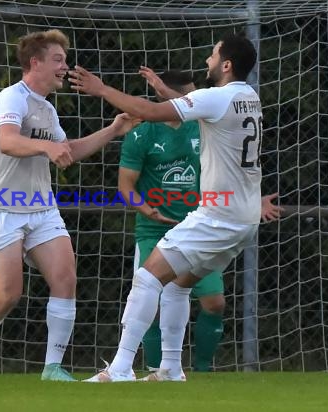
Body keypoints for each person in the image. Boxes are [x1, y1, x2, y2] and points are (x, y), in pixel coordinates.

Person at [69, 33, 267, 382]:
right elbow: (203, 110)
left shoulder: (216, 97)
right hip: (245, 218)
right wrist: (169, 93)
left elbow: (147, 111)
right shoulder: (248, 97)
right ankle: (171, 369)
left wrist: (101, 89)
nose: (207, 60)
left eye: (212, 54)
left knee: (147, 278)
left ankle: (119, 369)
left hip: (218, 217)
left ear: (226, 64)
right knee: (177, 285)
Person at [0, 29, 138, 381]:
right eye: (58, 60)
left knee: (65, 278)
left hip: (41, 208)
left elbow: (70, 151)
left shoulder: (47, 109)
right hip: (3, 206)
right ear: (35, 63)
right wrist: (46, 148)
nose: (64, 67)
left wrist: (113, 129)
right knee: (7, 295)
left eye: (64, 60)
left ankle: (52, 368)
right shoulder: (11, 98)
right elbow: (7, 141)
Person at [119, 69, 282, 377]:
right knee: (156, 292)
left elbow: (234, 167)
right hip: (156, 228)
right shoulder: (142, 133)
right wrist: (146, 208)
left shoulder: (203, 123)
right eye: (188, 93)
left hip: (205, 224)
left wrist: (101, 88)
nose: (193, 98)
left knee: (211, 301)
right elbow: (125, 185)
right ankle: (159, 368)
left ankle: (191, 371)